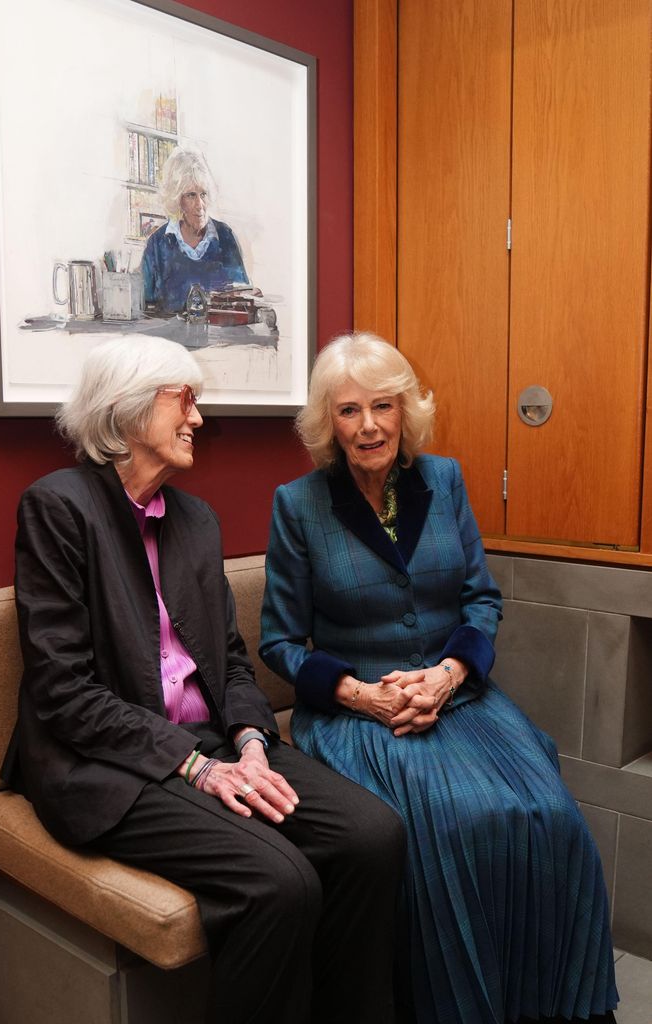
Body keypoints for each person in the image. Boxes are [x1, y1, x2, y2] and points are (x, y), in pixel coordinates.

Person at [0, 336, 405, 1024]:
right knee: (280, 882)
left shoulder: (194, 520)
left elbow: (230, 659)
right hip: (108, 766)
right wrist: (197, 767)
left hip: (210, 743)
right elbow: (64, 693)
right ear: (129, 409)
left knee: (374, 835)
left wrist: (251, 742)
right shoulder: (59, 508)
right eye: (184, 400)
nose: (197, 418)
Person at [260, 332, 618, 1024]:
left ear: (406, 411)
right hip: (360, 711)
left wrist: (449, 675)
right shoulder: (299, 504)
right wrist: (361, 694)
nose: (369, 426)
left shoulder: (444, 480)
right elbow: (277, 642)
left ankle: (547, 1005)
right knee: (451, 825)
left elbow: (481, 600)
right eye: (349, 410)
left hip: (457, 696)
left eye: (383, 406)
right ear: (329, 423)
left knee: (551, 817)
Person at [141, 148, 249, 314]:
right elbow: (144, 305)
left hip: (221, 331)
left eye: (203, 194)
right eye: (191, 195)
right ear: (177, 199)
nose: (200, 205)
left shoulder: (225, 237)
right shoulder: (158, 243)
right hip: (170, 331)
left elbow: (242, 298)